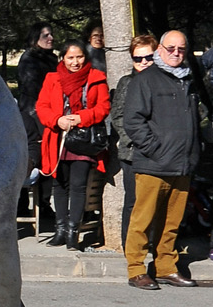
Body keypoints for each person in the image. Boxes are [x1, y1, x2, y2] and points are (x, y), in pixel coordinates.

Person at [122, 30, 203, 289]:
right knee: (142, 220)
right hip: (153, 164)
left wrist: (195, 149)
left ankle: (165, 266)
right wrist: (154, 148)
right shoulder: (145, 80)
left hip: (182, 164)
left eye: (181, 49)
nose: (176, 53)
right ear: (159, 50)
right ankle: (136, 270)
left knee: (171, 222)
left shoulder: (188, 80)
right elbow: (133, 120)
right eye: (171, 48)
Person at [35, 38, 111, 249]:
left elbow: (104, 107)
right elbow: (42, 106)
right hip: (58, 138)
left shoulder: (96, 78)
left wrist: (81, 118)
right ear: (62, 58)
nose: (75, 62)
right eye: (70, 58)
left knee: (78, 187)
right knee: (59, 185)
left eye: (79, 57)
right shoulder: (52, 78)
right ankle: (60, 230)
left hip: (84, 140)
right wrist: (56, 120)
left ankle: (72, 233)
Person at [110, 33, 158, 250]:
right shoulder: (127, 83)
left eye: (148, 57)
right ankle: (130, 246)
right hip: (133, 152)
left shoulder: (164, 82)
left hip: (160, 152)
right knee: (133, 201)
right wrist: (136, 140)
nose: (143, 62)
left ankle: (154, 243)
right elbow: (118, 116)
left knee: (157, 201)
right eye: (138, 59)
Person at [16, 22, 57, 226]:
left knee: (49, 160)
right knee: (32, 157)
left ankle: (44, 203)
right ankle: (23, 205)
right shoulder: (29, 59)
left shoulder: (51, 58)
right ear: (34, 39)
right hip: (33, 115)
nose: (50, 38)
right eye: (45, 35)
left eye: (51, 34)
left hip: (48, 113)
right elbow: (32, 90)